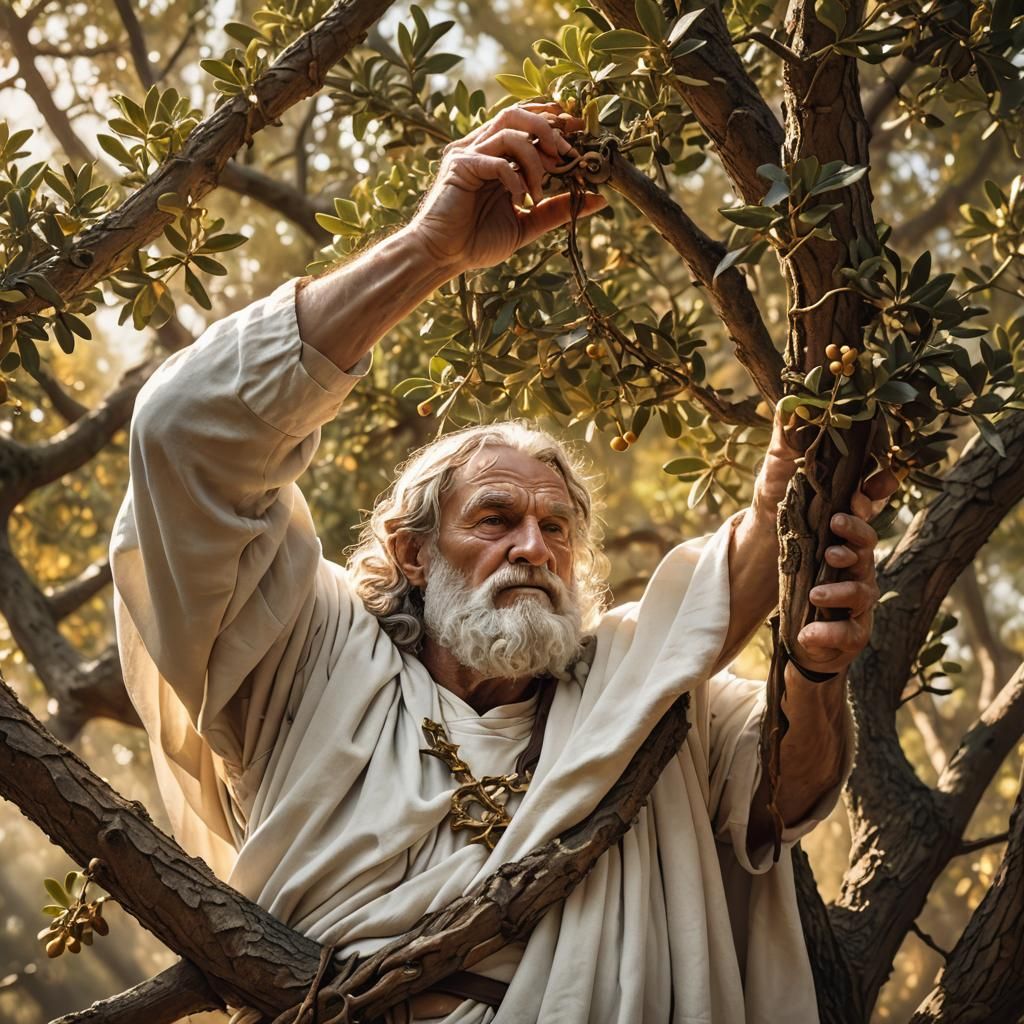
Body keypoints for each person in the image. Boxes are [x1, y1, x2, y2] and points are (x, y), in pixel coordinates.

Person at [111, 103, 891, 1023]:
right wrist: (429, 252)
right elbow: (183, 434)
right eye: (495, 518)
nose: (534, 547)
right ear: (410, 552)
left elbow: (787, 795)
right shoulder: (308, 663)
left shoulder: (645, 695)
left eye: (557, 529)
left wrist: (816, 673)